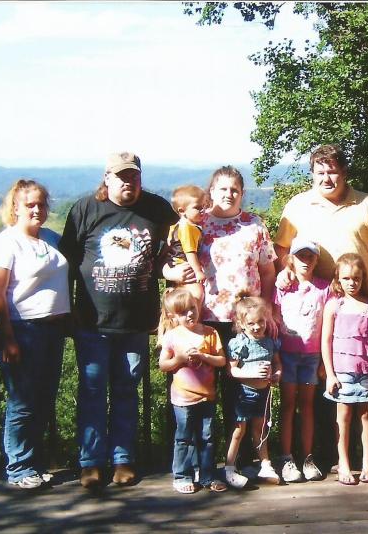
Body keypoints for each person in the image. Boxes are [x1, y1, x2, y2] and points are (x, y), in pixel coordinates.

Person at [274, 144, 368, 473]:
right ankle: (325, 455)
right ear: (312, 174)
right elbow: (281, 249)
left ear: (344, 172)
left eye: (332, 171)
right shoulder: (298, 205)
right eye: (320, 172)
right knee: (323, 376)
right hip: (314, 304)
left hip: (362, 303)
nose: (327, 178)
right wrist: (285, 272)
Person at [60, 152, 177, 489]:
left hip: (137, 323)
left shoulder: (156, 209)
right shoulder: (86, 209)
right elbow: (66, 263)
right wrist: (68, 308)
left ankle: (123, 459)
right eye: (122, 176)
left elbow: (181, 238)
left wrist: (172, 270)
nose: (129, 182)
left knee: (126, 392)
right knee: (92, 392)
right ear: (107, 177)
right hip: (92, 321)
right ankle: (91, 463)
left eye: (134, 176)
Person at [164, 165, 276, 469]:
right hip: (203, 321)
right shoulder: (197, 223)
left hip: (246, 324)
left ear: (242, 193)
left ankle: (239, 461)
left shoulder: (254, 225)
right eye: (222, 189)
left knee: (243, 393)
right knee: (199, 392)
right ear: (211, 192)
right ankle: (200, 463)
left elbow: (267, 271)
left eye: (234, 189)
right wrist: (171, 273)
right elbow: (168, 261)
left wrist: (267, 311)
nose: (229, 194)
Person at [0, 179, 71, 490]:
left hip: (52, 329)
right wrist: (8, 339)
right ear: (15, 208)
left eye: (41, 204)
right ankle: (19, 468)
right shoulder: (4, 244)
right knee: (22, 402)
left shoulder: (51, 238)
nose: (37, 210)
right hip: (22, 329)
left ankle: (34, 464)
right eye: (30, 204)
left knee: (43, 399)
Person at [157, 288, 228, 494]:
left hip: (207, 395)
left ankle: (206, 475)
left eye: (192, 308)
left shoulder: (210, 333)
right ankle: (182, 475)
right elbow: (163, 364)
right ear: (173, 316)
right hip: (183, 398)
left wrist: (204, 356)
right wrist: (179, 359)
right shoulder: (172, 336)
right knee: (184, 438)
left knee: (207, 437)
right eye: (182, 312)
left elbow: (221, 360)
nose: (189, 314)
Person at [322, 253, 368, 485]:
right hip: (342, 371)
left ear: (363, 278)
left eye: (356, 278)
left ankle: (367, 463)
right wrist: (330, 373)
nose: (352, 283)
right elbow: (326, 340)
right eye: (346, 278)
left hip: (366, 369)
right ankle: (344, 463)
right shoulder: (334, 305)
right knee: (343, 417)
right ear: (338, 279)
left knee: (366, 415)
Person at [273, 236, 330, 483]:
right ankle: (286, 457)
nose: (305, 261)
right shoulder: (282, 287)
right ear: (291, 260)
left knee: (307, 406)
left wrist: (325, 362)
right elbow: (274, 319)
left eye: (310, 256)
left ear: (317, 260)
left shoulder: (325, 288)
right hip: (287, 354)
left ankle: (307, 457)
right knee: (288, 405)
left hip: (312, 356)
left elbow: (329, 325)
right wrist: (275, 357)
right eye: (300, 256)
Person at [224, 295, 282, 489]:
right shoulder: (240, 343)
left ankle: (265, 465)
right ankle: (229, 467)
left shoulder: (269, 342)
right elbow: (232, 371)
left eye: (261, 322)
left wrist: (277, 374)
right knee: (239, 431)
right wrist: (251, 373)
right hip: (245, 393)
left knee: (260, 430)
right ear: (241, 323)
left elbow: (277, 363)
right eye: (251, 323)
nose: (257, 327)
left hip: (263, 394)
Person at [166, 185, 209, 303]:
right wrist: (198, 271)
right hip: (185, 266)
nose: (202, 210)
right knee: (197, 294)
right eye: (197, 207)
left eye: (204, 206)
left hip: (175, 266)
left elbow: (169, 242)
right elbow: (190, 252)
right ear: (182, 211)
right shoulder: (188, 228)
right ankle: (195, 314)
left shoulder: (177, 225)